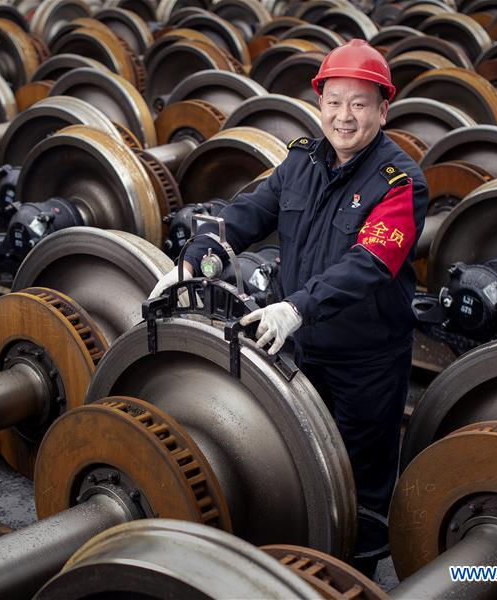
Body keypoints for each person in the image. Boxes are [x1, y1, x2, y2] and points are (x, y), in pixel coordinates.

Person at [150, 39, 429, 575]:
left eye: (359, 104)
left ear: (382, 109)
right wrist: (196, 262)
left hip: (365, 362)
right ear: (320, 102)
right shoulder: (300, 160)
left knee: (361, 491)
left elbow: (368, 264)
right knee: (300, 467)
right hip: (300, 350)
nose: (344, 116)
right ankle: (299, 568)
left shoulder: (401, 183)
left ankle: (351, 579)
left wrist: (295, 307)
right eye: (334, 101)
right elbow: (246, 214)